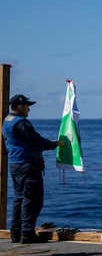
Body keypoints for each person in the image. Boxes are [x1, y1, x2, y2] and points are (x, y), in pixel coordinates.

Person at [3, 94, 65, 244]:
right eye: (27, 106)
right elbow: (36, 141)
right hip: (27, 165)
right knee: (32, 199)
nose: (29, 109)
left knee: (20, 199)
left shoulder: (7, 120)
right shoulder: (21, 123)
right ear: (19, 106)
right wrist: (53, 144)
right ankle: (27, 233)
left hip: (15, 164)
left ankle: (16, 233)